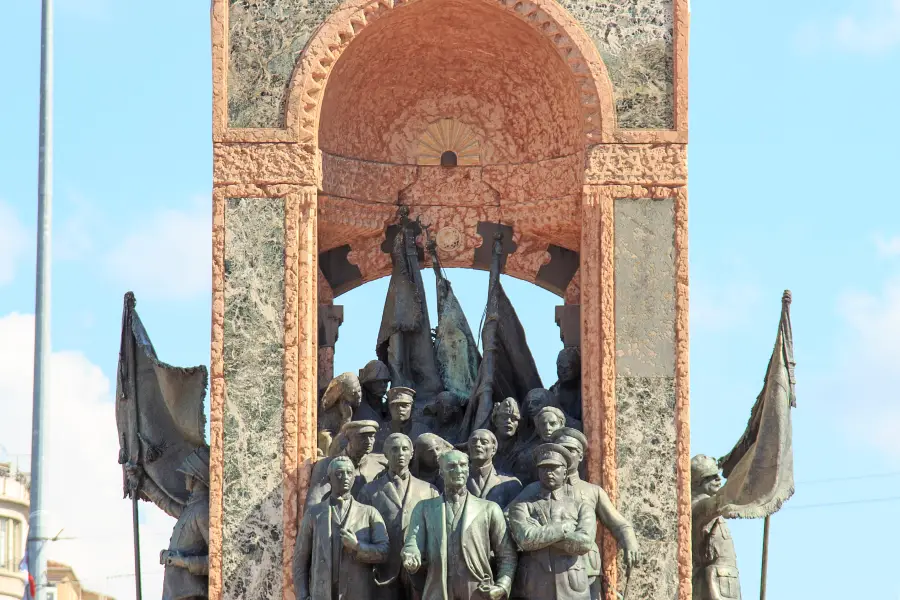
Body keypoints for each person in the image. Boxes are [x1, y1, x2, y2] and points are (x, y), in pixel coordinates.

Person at [401, 450, 518, 600]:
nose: (458, 470)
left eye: (462, 465)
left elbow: (507, 554)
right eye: (451, 466)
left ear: (468, 470)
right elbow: (413, 542)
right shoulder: (424, 508)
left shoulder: (489, 509)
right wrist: (411, 555)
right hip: (438, 589)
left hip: (477, 590)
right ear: (441, 472)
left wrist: (502, 585)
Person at [551, 428, 641, 599]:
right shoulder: (540, 489)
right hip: (550, 571)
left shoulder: (592, 491)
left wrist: (630, 541)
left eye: (571, 450)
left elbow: (619, 523)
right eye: (560, 449)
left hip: (586, 570)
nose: (565, 454)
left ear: (581, 456)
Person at [506, 444, 596, 600]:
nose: (548, 472)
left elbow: (585, 543)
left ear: (565, 472)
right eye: (544, 468)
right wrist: (564, 529)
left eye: (554, 468)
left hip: (572, 586)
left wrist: (540, 534)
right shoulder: (522, 506)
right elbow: (526, 539)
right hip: (534, 585)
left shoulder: (582, 507)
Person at [294, 456, 390, 600]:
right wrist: (303, 596)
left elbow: (384, 552)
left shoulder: (369, 513)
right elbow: (300, 560)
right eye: (339, 473)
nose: (345, 477)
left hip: (357, 593)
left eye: (349, 473)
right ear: (329, 478)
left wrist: (358, 547)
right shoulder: (314, 514)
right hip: (322, 593)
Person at [359, 433, 440, 600]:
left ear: (412, 454)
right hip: (384, 570)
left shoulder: (429, 490)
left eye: (405, 449)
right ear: (386, 454)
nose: (400, 454)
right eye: (394, 449)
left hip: (419, 570)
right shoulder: (369, 491)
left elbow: (437, 531)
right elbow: (362, 532)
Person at [125, 447, 210, 600]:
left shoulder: (203, 510)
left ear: (194, 476)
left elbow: (217, 560)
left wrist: (183, 561)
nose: (185, 478)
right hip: (178, 594)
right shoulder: (192, 508)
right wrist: (142, 482)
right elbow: (166, 503)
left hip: (191, 594)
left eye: (187, 474)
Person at [691, 454, 742, 600]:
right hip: (713, 587)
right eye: (712, 476)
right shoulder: (700, 507)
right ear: (699, 481)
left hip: (725, 585)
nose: (718, 479)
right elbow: (720, 501)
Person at [307, 421, 388, 506]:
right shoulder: (326, 465)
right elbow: (314, 503)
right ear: (348, 438)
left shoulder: (380, 466)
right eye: (362, 437)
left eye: (371, 436)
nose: (368, 441)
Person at [466, 429, 522, 509]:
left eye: (484, 442)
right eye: (473, 441)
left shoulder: (511, 484)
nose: (477, 445)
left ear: (494, 449)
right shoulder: (454, 480)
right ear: (468, 447)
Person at [318, 372, 363, 457]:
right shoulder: (331, 411)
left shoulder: (355, 407)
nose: (358, 396)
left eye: (359, 390)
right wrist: (346, 418)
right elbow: (336, 443)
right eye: (353, 393)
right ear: (341, 395)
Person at [550, 348, 582, 422]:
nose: (563, 372)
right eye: (560, 368)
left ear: (577, 368)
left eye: (568, 368)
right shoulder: (553, 392)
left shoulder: (584, 391)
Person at [356, 360, 392, 425]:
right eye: (379, 381)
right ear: (368, 383)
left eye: (386, 381)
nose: (383, 385)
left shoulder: (387, 408)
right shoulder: (356, 405)